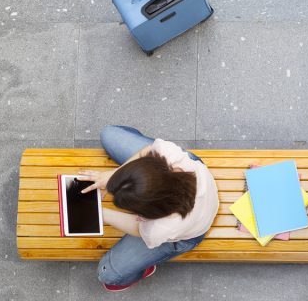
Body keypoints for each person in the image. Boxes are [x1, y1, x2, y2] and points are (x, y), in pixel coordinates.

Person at [78, 125, 218, 292]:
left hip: (186, 235)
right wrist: (114, 176)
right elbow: (147, 151)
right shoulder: (170, 155)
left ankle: (145, 268)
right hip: (196, 174)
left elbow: (139, 228)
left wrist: (99, 213)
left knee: (107, 275)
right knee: (108, 134)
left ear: (147, 213)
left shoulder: (160, 228)